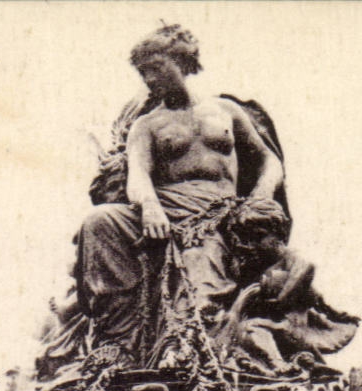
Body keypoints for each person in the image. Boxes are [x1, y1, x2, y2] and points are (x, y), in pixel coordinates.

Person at [68, 26, 284, 369]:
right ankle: (118, 341)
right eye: (143, 72)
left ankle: (183, 344)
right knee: (99, 222)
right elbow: (137, 175)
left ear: (182, 61)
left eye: (156, 67)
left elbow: (268, 160)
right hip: (165, 205)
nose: (149, 78)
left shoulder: (226, 111)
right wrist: (150, 206)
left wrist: (261, 193)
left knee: (201, 262)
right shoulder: (147, 125)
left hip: (216, 212)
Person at [220, 198, 359, 374]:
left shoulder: (291, 260)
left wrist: (279, 299)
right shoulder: (262, 267)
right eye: (248, 240)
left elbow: (308, 271)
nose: (253, 245)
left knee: (253, 328)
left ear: (280, 233)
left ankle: (277, 365)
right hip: (277, 327)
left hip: (292, 327)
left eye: (259, 237)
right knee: (246, 331)